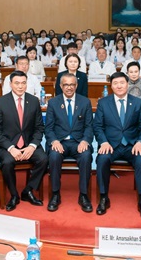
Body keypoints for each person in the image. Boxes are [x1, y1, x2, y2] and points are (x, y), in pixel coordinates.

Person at [94, 71, 141, 219]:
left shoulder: (138, 103)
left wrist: (140, 142)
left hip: (132, 145)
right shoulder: (103, 103)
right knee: (101, 159)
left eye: (122, 83)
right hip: (111, 145)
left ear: (127, 84)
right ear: (111, 86)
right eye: (115, 83)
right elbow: (98, 127)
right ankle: (103, 197)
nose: (119, 86)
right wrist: (104, 142)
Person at [0, 71, 48, 211]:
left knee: (44, 159)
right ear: (10, 84)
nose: (20, 86)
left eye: (23, 83)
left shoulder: (33, 101)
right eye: (17, 83)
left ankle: (28, 190)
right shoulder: (0, 102)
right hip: (7, 146)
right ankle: (14, 195)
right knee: (8, 161)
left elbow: (39, 127)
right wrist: (11, 148)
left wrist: (32, 146)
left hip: (28, 144)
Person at [45, 73, 94, 213]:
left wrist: (85, 140)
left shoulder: (85, 102)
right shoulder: (53, 102)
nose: (69, 87)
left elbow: (89, 126)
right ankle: (55, 194)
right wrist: (54, 141)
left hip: (79, 142)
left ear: (76, 86)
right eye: (66, 84)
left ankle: (83, 195)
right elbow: (48, 127)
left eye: (72, 84)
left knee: (85, 156)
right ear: (60, 86)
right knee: (53, 156)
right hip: (59, 142)